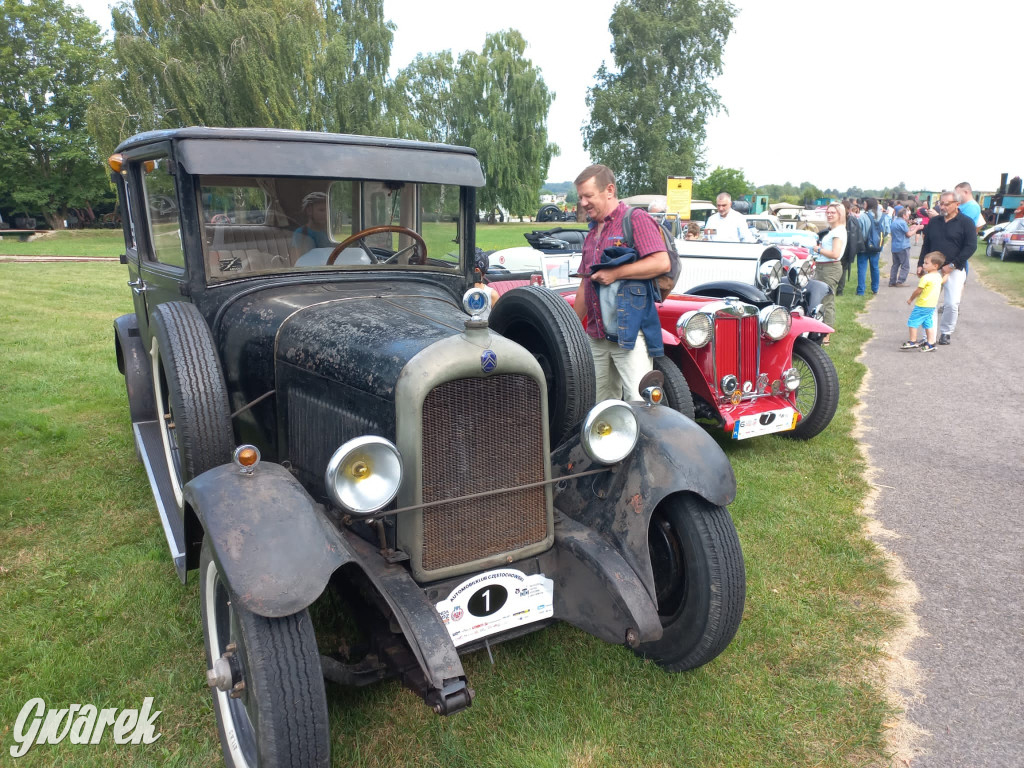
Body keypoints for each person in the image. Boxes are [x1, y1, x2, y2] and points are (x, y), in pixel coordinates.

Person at [573, 164, 670, 401]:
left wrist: (616, 274)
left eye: (588, 196)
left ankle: (646, 440)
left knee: (642, 403)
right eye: (580, 197)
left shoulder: (635, 219)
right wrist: (572, 329)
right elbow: (585, 285)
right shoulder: (592, 233)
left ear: (609, 190)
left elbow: (661, 262)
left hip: (630, 333)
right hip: (596, 335)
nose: (583, 203)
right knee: (598, 404)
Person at [918, 192, 977, 345]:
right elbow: (927, 245)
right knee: (929, 302)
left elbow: (970, 247)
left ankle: (946, 332)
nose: (942, 207)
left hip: (955, 268)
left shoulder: (966, 222)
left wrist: (952, 265)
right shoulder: (934, 222)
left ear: (957, 204)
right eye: (941, 203)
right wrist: (920, 264)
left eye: (946, 204)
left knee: (951, 303)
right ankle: (928, 336)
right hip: (933, 269)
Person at [809, 203, 847, 345]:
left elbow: (835, 254)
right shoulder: (834, 230)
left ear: (840, 215)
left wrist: (818, 249)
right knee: (820, 300)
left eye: (833, 212)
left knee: (827, 301)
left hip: (830, 268)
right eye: (828, 212)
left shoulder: (838, 232)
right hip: (823, 267)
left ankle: (826, 336)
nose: (829, 214)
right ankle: (820, 331)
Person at [901, 252, 946, 352]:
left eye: (926, 263)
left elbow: (918, 291)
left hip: (922, 305)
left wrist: (910, 299)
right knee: (928, 323)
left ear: (935, 266)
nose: (923, 265)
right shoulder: (938, 276)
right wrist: (947, 274)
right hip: (932, 306)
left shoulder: (926, 278)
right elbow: (943, 280)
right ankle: (931, 343)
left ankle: (912, 341)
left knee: (912, 322)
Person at [290, 191, 332, 260]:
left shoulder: (329, 233)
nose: (326, 214)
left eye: (328, 211)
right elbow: (295, 260)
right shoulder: (301, 233)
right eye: (321, 210)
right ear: (309, 211)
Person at [888, 206, 922, 286]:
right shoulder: (903, 223)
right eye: (907, 215)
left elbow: (902, 231)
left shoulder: (894, 222)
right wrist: (917, 228)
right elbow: (909, 234)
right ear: (904, 215)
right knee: (905, 265)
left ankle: (892, 281)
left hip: (895, 246)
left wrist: (911, 228)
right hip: (903, 246)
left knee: (895, 265)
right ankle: (900, 281)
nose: (908, 216)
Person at [856, 198, 884, 295]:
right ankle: (875, 289)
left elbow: (859, 231)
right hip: (876, 246)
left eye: (864, 204)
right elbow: (887, 230)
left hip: (864, 246)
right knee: (875, 267)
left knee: (862, 269)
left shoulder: (863, 216)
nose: (863, 205)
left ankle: (860, 291)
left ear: (867, 205)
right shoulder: (882, 215)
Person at [837, 201, 862, 296]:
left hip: (841, 246)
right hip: (847, 248)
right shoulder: (853, 220)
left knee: (839, 268)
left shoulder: (839, 219)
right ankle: (840, 290)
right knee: (843, 269)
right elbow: (857, 236)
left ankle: (838, 289)